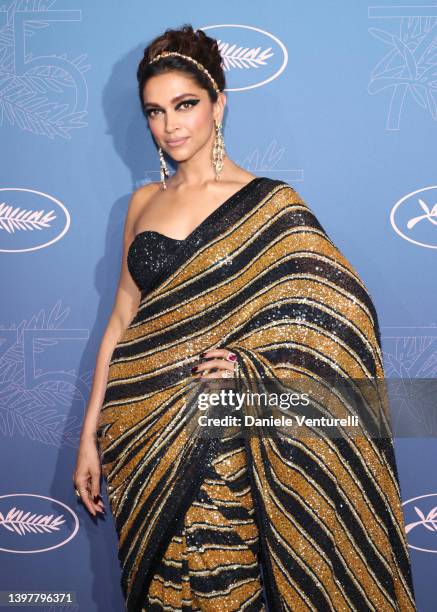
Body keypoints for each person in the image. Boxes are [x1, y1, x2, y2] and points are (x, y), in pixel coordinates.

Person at [73, 24, 416, 612]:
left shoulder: (271, 203)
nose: (170, 125)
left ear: (219, 103)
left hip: (221, 439)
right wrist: (89, 436)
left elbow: (338, 315)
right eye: (154, 112)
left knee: (221, 589)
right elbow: (121, 318)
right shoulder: (140, 203)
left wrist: (251, 369)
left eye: (186, 105)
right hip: (136, 432)